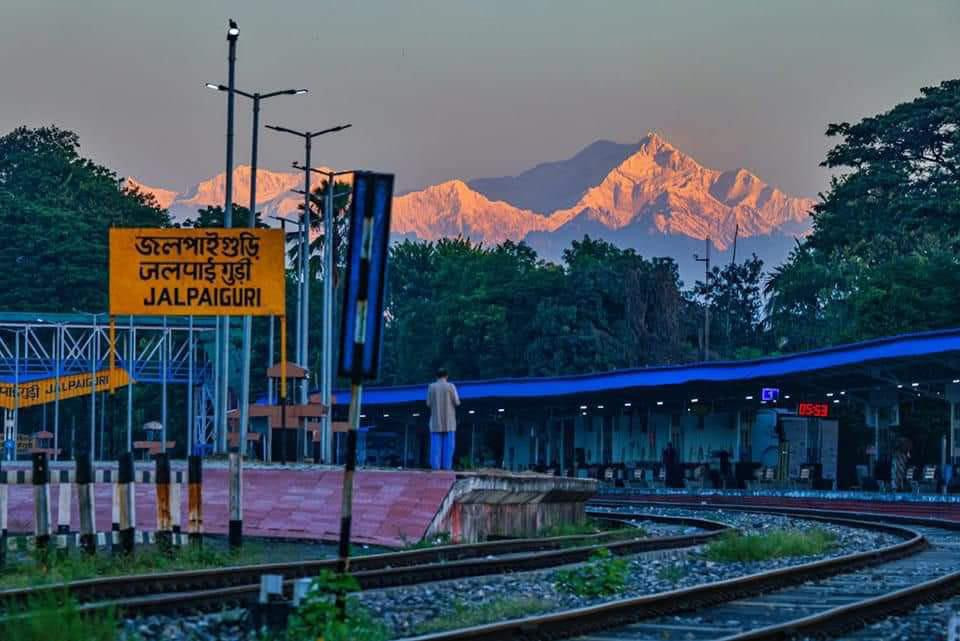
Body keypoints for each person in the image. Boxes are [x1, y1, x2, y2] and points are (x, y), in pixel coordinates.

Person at [427, 367, 460, 470]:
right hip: (449, 421)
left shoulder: (431, 387)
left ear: (436, 376)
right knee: (449, 447)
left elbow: (428, 403)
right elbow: (457, 402)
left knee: (435, 446)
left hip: (436, 421)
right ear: (447, 376)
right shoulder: (451, 386)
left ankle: (435, 467)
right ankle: (447, 467)